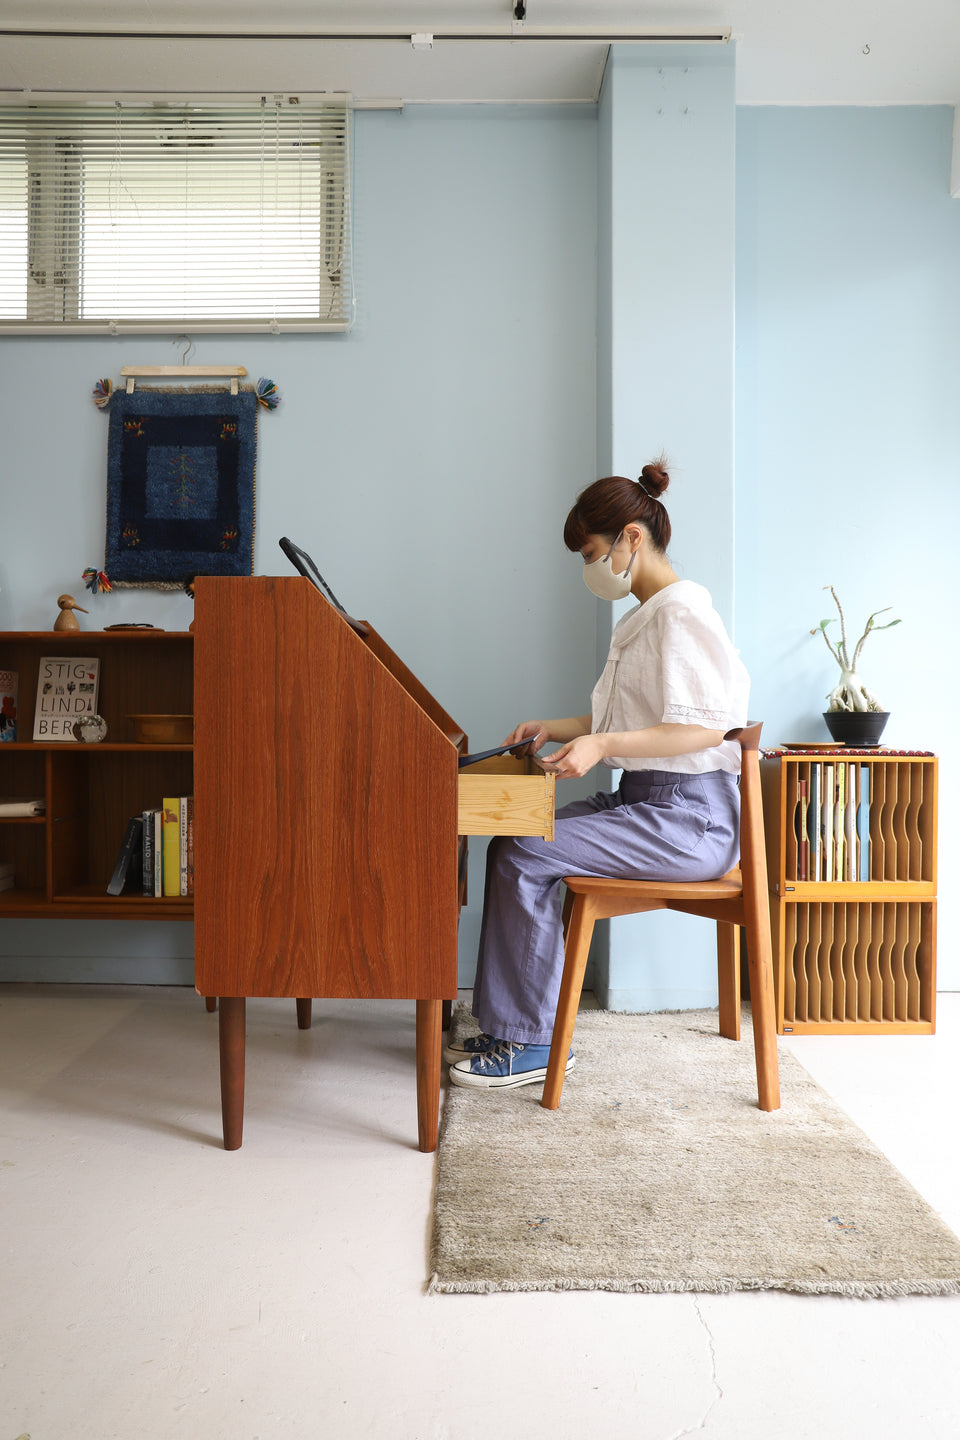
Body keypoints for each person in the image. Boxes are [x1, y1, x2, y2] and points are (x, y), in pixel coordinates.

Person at [446, 458, 749, 1090]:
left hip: (688, 819)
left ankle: (530, 1045)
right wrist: (557, 729)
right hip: (651, 804)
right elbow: (636, 714)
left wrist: (601, 741)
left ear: (631, 537)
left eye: (591, 552)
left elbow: (702, 728)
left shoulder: (682, 613)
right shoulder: (651, 614)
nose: (590, 567)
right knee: (515, 839)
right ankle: (515, 1028)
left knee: (526, 848)